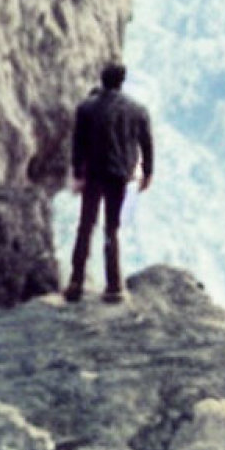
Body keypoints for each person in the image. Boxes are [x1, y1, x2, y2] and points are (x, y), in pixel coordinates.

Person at [64, 62, 154, 303]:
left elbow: (78, 144)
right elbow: (146, 143)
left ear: (102, 79)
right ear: (121, 81)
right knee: (111, 228)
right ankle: (114, 286)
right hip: (119, 175)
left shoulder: (86, 108)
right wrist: (147, 172)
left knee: (85, 225)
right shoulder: (137, 110)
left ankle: (76, 282)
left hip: (94, 173)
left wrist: (77, 173)